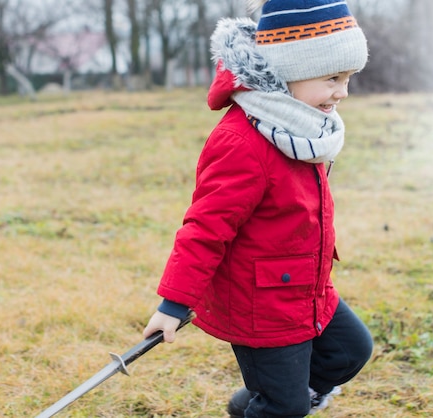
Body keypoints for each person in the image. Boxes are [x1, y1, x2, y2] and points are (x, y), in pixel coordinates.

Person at [143, 0, 373, 416]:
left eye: (348, 78)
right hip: (260, 304)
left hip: (307, 287)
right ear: (289, 73)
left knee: (350, 350)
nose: (343, 91)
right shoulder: (242, 142)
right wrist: (173, 304)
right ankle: (274, 406)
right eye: (333, 78)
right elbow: (204, 228)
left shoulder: (302, 126)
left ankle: (258, 405)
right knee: (286, 408)